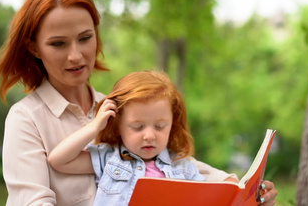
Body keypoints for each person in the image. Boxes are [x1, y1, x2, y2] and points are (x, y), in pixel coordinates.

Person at [0, 0, 278, 206]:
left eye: (85, 38)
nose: (76, 56)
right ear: (34, 48)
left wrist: (243, 188)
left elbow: (177, 163)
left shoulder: (122, 107)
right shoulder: (27, 119)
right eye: (58, 44)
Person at [49, 70, 205, 205]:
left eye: (160, 126)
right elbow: (58, 160)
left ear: (172, 124)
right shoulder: (110, 159)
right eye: (137, 127)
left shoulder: (182, 167)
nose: (149, 136)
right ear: (118, 126)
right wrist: (95, 126)